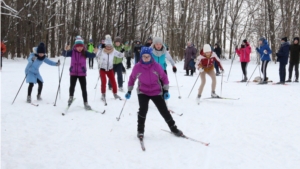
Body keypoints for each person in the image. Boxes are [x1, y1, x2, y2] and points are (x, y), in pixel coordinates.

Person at [125, 47, 183, 138]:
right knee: (143, 110)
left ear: (151, 56)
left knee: (164, 110)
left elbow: (164, 78)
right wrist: (129, 90)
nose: (146, 58)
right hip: (142, 91)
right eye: (144, 56)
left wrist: (166, 90)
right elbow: (132, 78)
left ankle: (173, 128)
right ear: (141, 57)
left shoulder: (156, 66)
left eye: (148, 56)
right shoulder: (137, 67)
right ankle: (140, 130)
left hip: (156, 91)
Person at [62, 36, 98, 110]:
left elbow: (92, 55)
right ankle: (70, 97)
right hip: (73, 73)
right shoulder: (72, 52)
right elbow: (64, 54)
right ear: (75, 46)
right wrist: (65, 49)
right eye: (78, 46)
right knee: (72, 86)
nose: (79, 48)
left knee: (84, 89)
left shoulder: (85, 52)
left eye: (81, 46)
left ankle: (86, 102)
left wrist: (95, 52)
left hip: (82, 73)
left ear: (83, 46)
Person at [96, 35, 123, 102]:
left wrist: (122, 51)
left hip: (110, 69)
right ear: (105, 45)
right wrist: (100, 49)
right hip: (102, 69)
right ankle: (103, 94)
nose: (108, 47)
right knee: (104, 81)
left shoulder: (113, 51)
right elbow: (97, 55)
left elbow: (120, 55)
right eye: (107, 46)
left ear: (111, 45)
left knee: (113, 81)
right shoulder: (102, 50)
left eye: (110, 46)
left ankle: (115, 94)